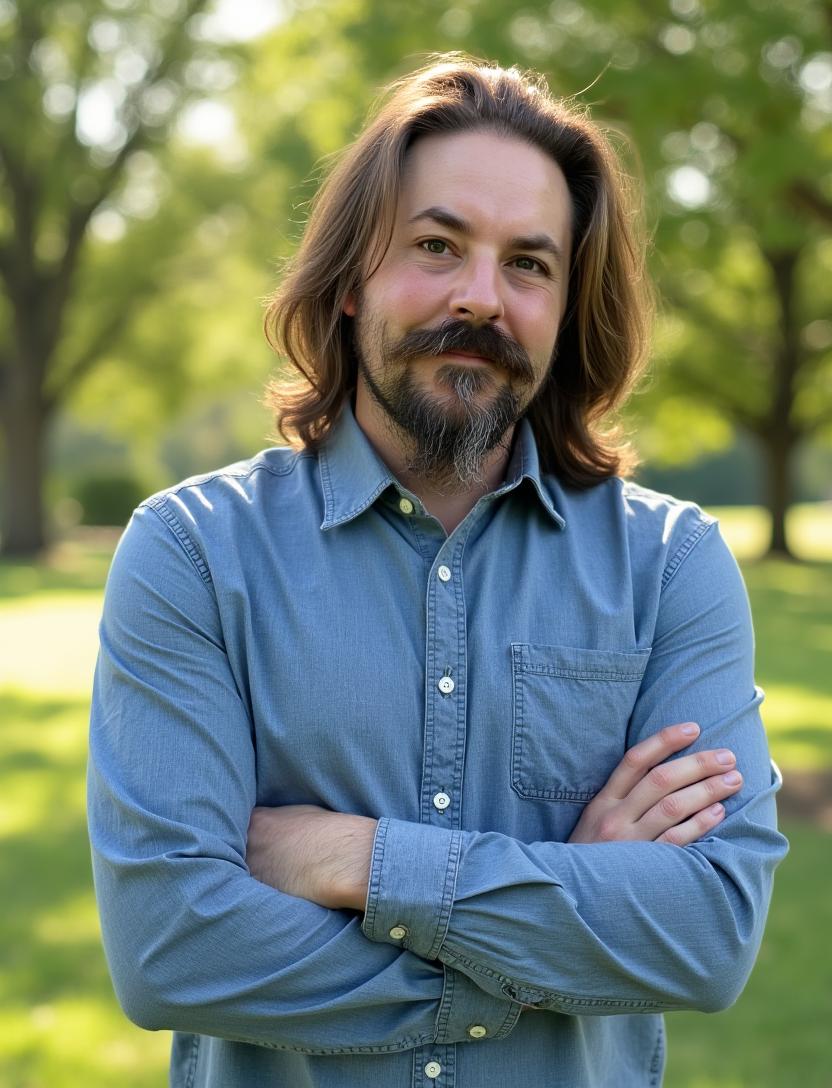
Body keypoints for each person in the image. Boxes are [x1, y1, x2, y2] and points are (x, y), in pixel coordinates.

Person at [88, 57, 787, 1088]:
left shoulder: (669, 566)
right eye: (435, 245)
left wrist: (362, 861)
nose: (480, 297)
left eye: (529, 265)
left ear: (565, 305)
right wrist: (575, 903)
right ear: (346, 282)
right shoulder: (194, 555)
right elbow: (171, 950)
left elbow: (707, 933)